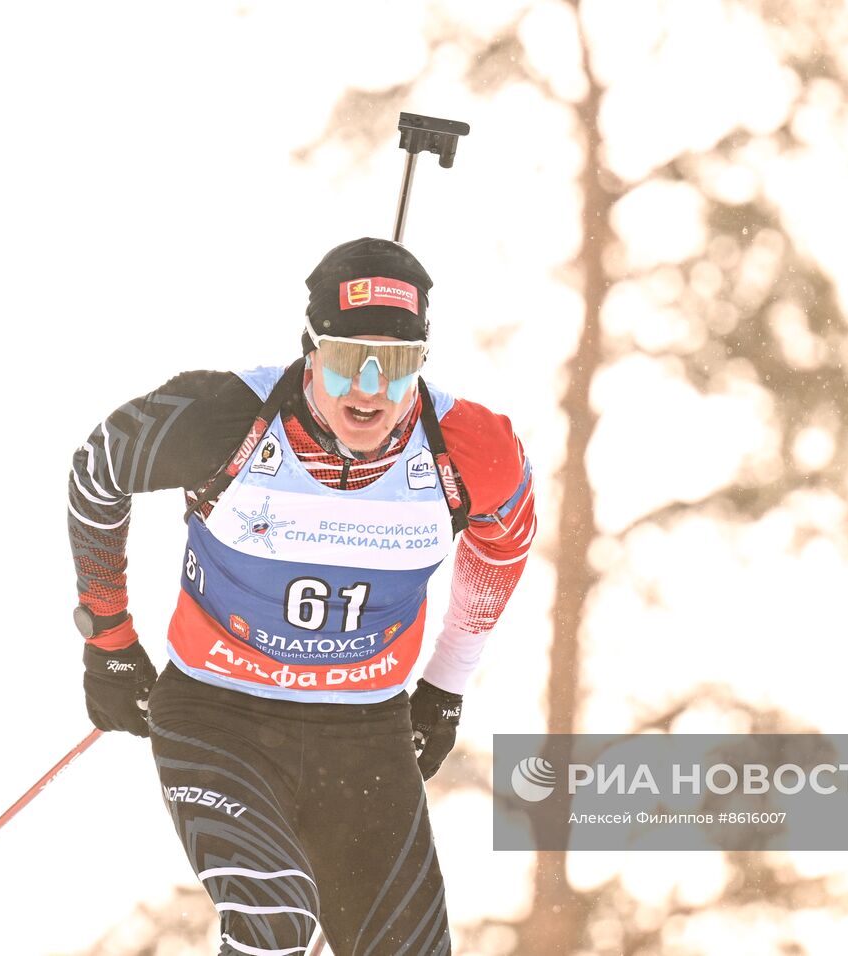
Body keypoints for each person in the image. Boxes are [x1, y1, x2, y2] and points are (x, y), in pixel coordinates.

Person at [66, 237, 536, 955]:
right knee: (275, 917)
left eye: (399, 363)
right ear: (311, 349)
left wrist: (445, 685)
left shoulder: (470, 449)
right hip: (219, 717)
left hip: (364, 735)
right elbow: (98, 471)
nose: (371, 389)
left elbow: (502, 546)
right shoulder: (227, 420)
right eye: (349, 357)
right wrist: (109, 639)